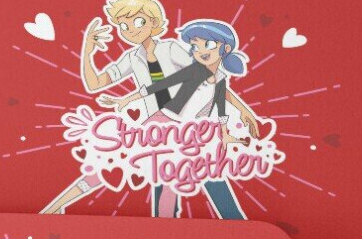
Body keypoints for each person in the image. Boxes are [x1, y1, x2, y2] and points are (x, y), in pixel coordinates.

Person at [42, 0, 261, 217]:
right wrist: (88, 51)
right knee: (111, 165)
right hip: (156, 127)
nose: (131, 30)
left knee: (182, 180)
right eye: (123, 26)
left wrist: (241, 112)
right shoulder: (131, 58)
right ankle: (56, 206)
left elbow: (204, 79)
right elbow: (94, 83)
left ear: (154, 22)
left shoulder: (170, 49)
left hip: (184, 128)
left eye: (138, 22)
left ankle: (226, 223)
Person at [102, 18, 253, 219]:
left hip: (191, 133)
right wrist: (126, 100)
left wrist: (226, 132)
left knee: (201, 173)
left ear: (225, 48)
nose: (201, 51)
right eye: (195, 46)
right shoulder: (194, 71)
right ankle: (165, 223)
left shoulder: (220, 79)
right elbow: (159, 86)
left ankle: (234, 221)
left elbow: (221, 109)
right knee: (167, 179)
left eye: (208, 44)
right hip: (165, 125)